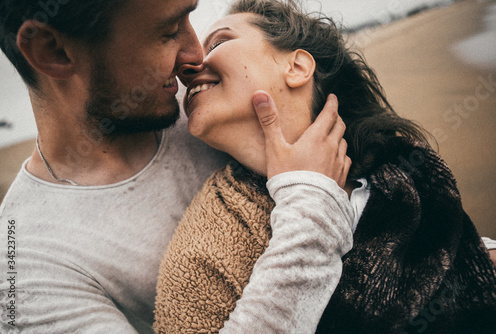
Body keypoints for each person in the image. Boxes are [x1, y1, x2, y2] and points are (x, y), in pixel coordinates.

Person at [0, 0, 356, 333]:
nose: (195, 55)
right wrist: (314, 214)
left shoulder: (213, 108)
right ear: (53, 51)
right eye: (169, 31)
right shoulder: (27, 268)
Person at [154, 0, 496, 333]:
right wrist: (310, 196)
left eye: (219, 42)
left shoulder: (407, 167)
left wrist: (481, 256)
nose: (188, 67)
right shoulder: (204, 252)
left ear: (298, 67)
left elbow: (444, 250)